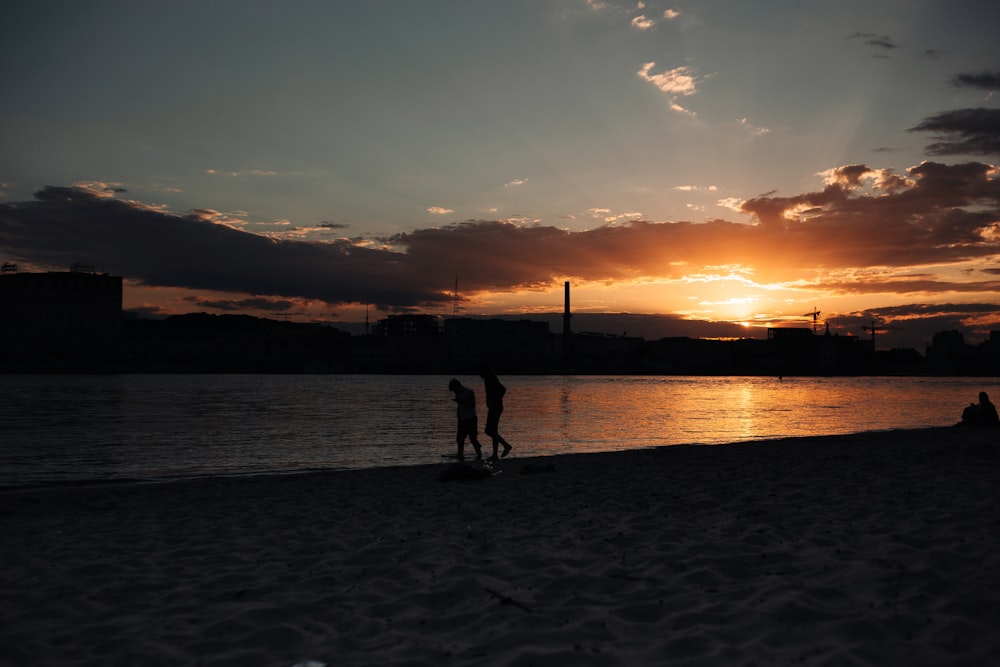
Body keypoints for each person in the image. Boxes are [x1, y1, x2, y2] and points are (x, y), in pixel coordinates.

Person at [480, 366, 512, 460]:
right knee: (493, 431)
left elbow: (503, 389)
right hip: (494, 407)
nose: (480, 376)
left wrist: (496, 400)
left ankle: (506, 446)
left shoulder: (491, 378)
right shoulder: (488, 379)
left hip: (496, 407)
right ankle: (495, 455)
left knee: (489, 431)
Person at [448, 379, 482, 460]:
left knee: (473, 438)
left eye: (454, 389)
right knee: (460, 438)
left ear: (457, 386)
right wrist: (458, 416)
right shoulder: (458, 393)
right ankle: (460, 455)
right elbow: (460, 407)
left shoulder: (469, 392)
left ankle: (479, 454)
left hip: (471, 418)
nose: (454, 392)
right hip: (462, 419)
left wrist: (461, 401)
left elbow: (472, 405)